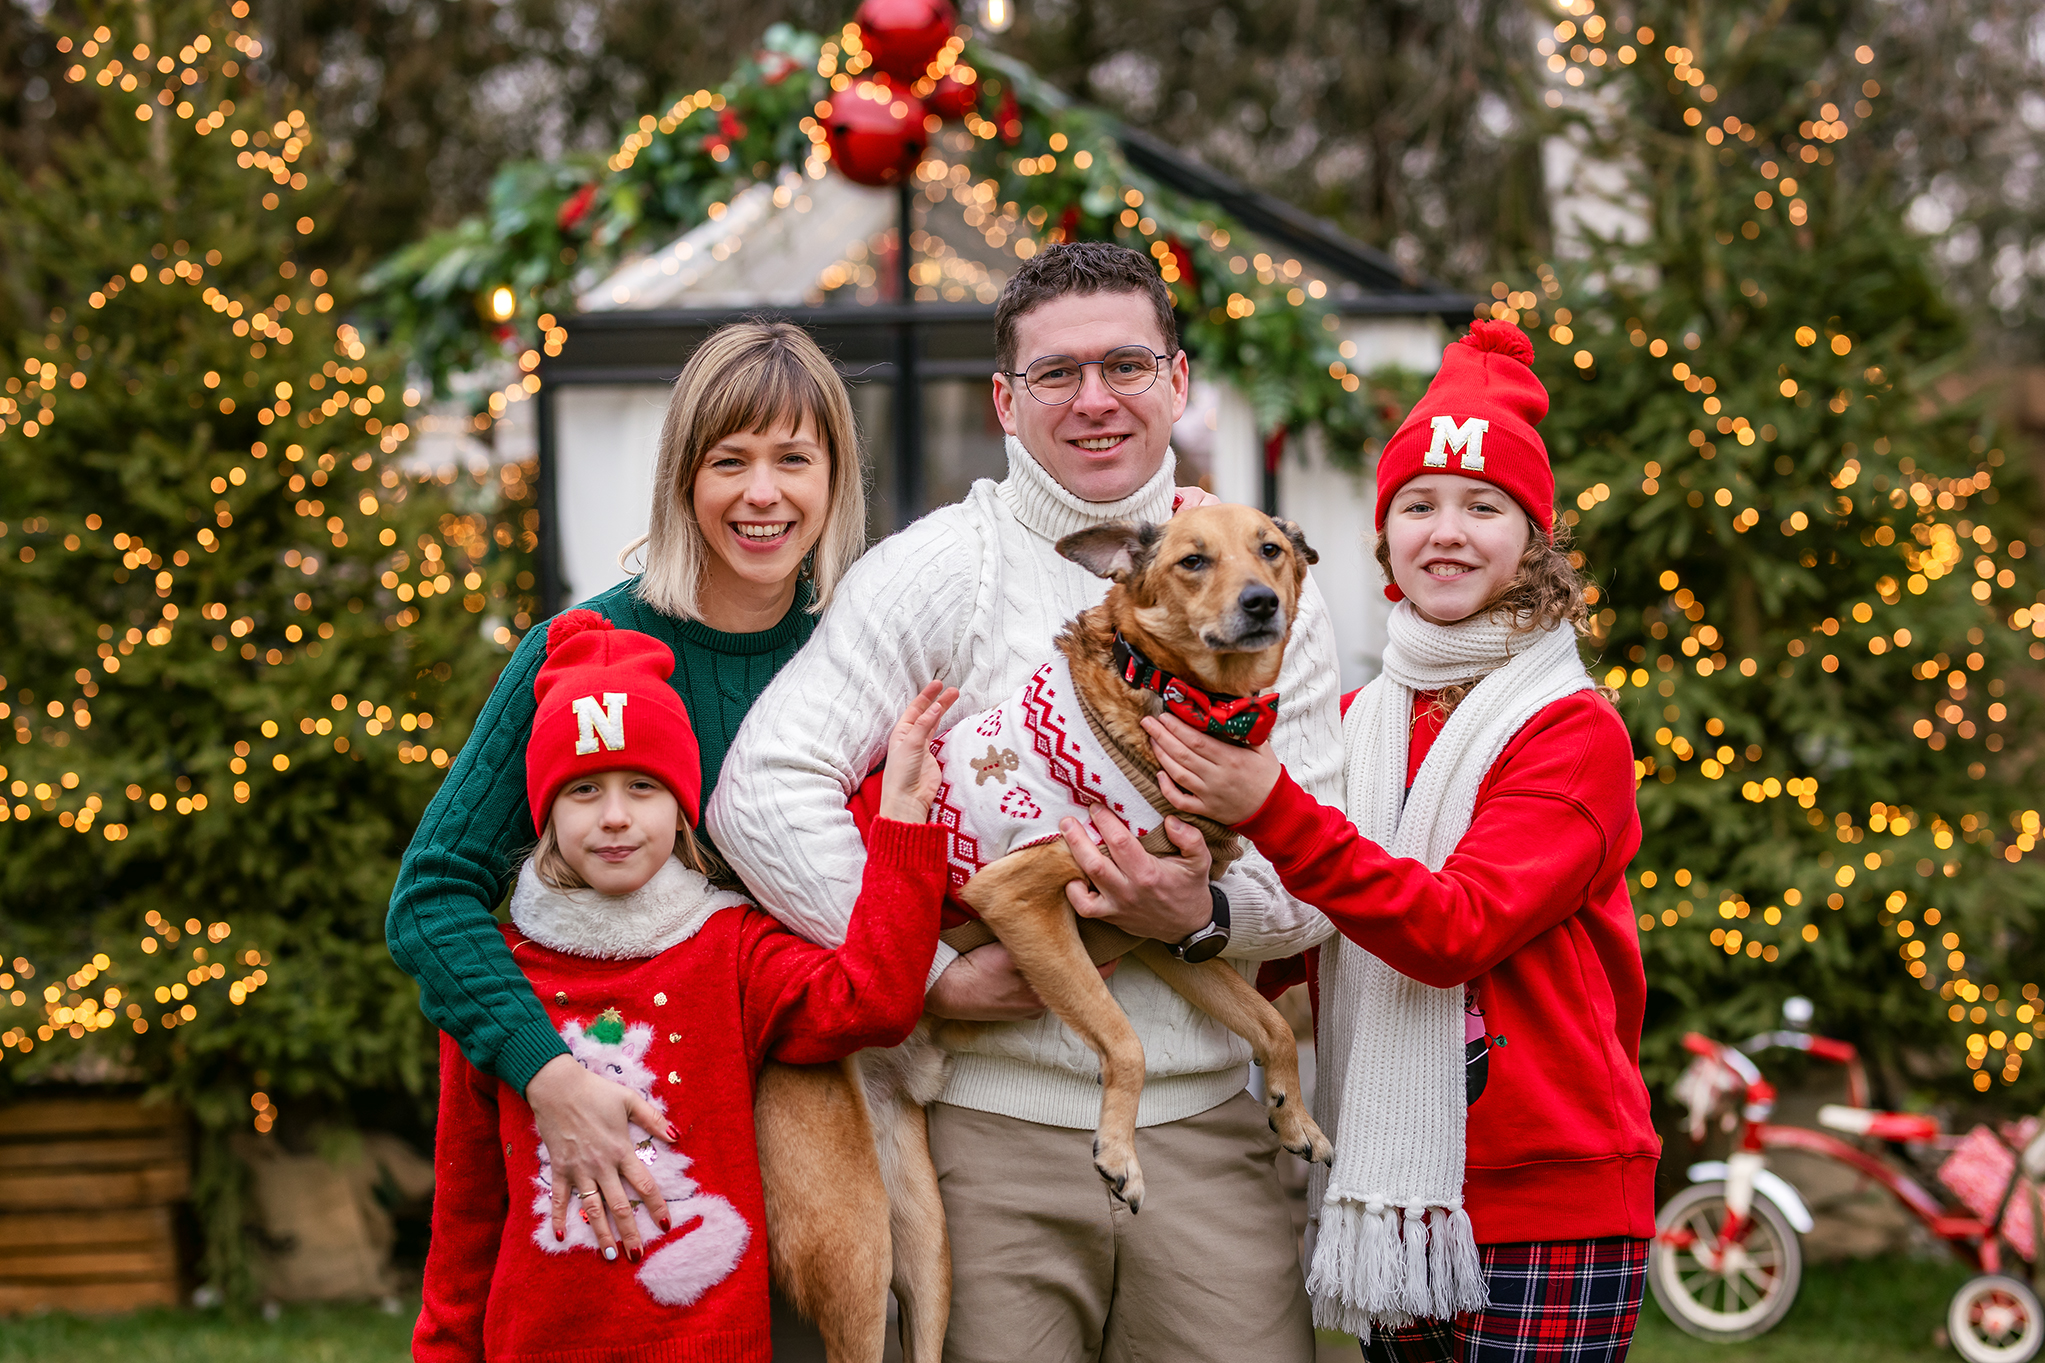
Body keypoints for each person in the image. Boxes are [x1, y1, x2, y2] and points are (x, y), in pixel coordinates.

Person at [707, 241, 1344, 1362]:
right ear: (1005, 401)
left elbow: (1319, 878)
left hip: (1203, 1130)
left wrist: (1195, 914)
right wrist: (928, 972)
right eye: (1056, 373)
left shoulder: (1265, 585)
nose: (1094, 399)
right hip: (986, 1137)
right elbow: (761, 789)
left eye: (1125, 365)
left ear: (1176, 381)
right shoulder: (940, 569)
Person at [1142, 321, 1658, 1363]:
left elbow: (1452, 929)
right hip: (1388, 1194)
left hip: (1546, 1201)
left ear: (1533, 540)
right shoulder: (1362, 719)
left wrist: (1269, 805)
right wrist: (1195, 907)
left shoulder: (1570, 731)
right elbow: (1308, 925)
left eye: (1482, 506)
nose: (1445, 532)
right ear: (1383, 539)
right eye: (1417, 505)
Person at [386, 319, 872, 1265]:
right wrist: (550, 1075)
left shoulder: (866, 647)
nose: (762, 492)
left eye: (792, 459)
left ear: (834, 477)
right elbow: (431, 897)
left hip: (841, 1117)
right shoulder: (583, 658)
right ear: (683, 478)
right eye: (729, 460)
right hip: (648, 1135)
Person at [412, 608, 955, 1362]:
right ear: (544, 812)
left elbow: (873, 1002)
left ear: (680, 808)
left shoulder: (731, 950)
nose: (614, 817)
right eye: (582, 790)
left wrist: (902, 822)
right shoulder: (495, 983)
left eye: (642, 785)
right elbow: (465, 1219)